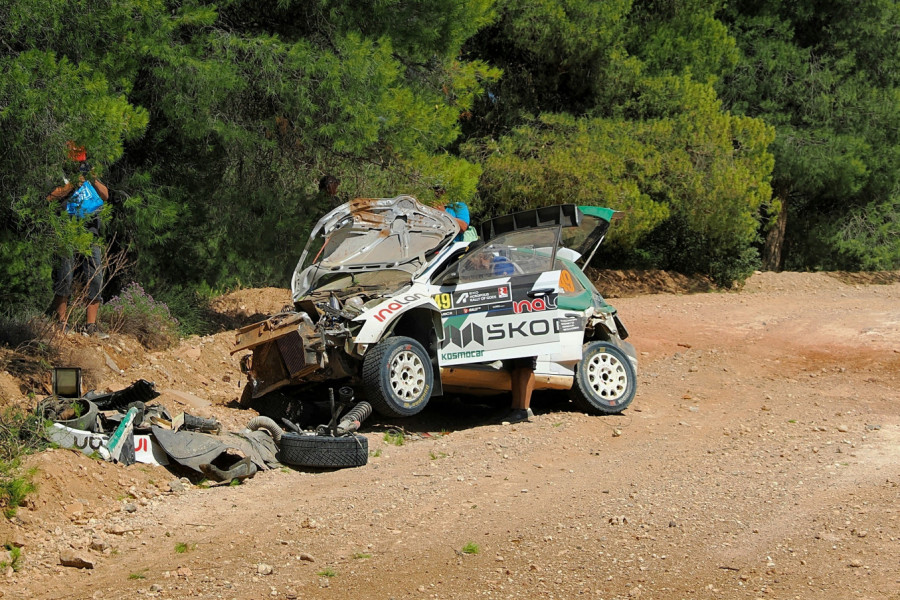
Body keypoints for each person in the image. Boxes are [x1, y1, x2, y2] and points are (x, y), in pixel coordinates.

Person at [47, 143, 110, 337]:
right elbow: (50, 197)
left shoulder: (89, 172)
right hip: (66, 230)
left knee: (95, 276)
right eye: (75, 160)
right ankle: (61, 321)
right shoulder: (56, 173)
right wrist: (72, 185)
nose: (78, 164)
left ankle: (91, 325)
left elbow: (106, 195)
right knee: (64, 274)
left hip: (90, 231)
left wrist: (93, 179)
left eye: (81, 160)